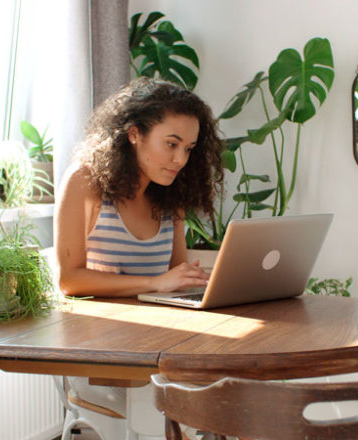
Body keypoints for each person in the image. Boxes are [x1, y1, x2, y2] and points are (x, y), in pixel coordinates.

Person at [53, 77, 225, 438]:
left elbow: (176, 275)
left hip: (158, 349)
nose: (180, 159)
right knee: (180, 404)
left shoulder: (168, 196)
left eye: (189, 149)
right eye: (171, 144)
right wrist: (152, 283)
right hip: (101, 355)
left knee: (229, 391)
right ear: (134, 134)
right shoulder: (85, 182)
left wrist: (204, 281)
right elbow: (69, 279)